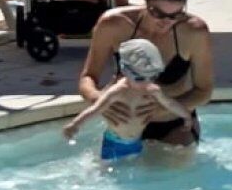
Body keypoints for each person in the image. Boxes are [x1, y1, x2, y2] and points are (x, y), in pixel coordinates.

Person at [78, 0, 215, 148]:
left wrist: (164, 107)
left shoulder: (194, 32)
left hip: (173, 122)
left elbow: (204, 91)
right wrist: (98, 100)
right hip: (125, 121)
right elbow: (88, 77)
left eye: (175, 15)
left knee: (175, 172)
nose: (165, 22)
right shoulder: (114, 24)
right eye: (157, 13)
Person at [63, 38, 194, 160]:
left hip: (136, 141)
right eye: (140, 78)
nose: (146, 82)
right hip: (114, 143)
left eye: (152, 77)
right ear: (125, 71)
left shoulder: (152, 89)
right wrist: (75, 124)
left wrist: (186, 116)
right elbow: (96, 109)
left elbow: (170, 104)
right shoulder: (118, 91)